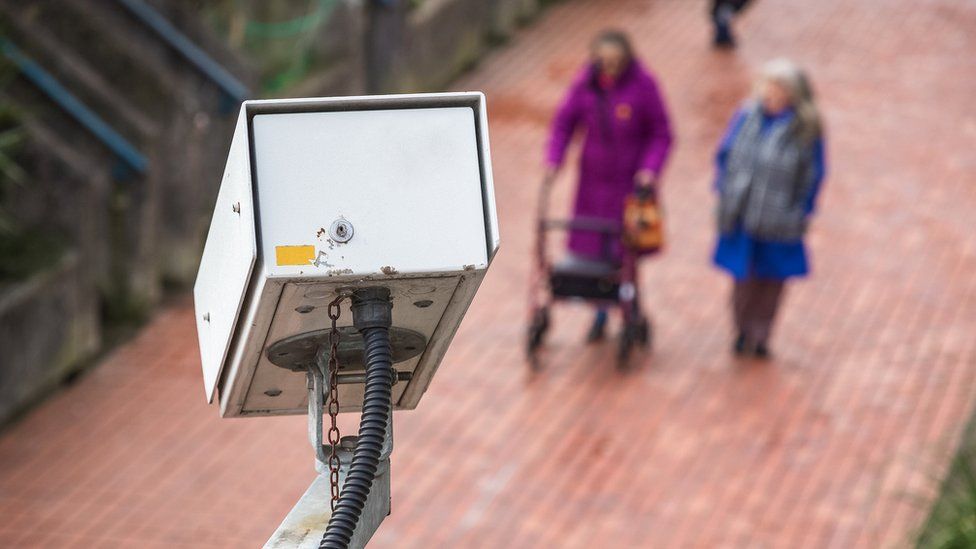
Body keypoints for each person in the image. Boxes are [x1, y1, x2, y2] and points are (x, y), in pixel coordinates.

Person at [545, 30, 673, 342]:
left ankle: (629, 307)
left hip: (629, 186)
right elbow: (564, 122)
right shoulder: (586, 84)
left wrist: (649, 171)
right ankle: (601, 312)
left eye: (615, 62)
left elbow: (662, 133)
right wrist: (554, 158)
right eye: (604, 62)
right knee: (595, 251)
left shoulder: (644, 86)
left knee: (625, 252)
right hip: (592, 186)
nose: (609, 68)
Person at [713, 58, 826, 358]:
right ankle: (741, 329)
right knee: (743, 279)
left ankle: (762, 334)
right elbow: (725, 154)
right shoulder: (746, 116)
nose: (771, 95)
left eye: (779, 89)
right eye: (768, 88)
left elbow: (812, 174)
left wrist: (802, 210)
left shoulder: (805, 129)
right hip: (743, 214)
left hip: (780, 218)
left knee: (772, 281)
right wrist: (724, 190)